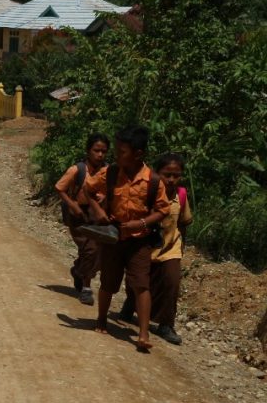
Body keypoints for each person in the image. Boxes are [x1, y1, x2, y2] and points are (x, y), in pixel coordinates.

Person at [82, 124, 170, 351]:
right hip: (114, 236)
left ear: (138, 154)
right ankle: (101, 319)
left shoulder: (153, 181)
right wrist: (100, 213)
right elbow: (88, 189)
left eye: (122, 151)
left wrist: (140, 223)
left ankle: (143, 333)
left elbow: (162, 210)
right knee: (109, 281)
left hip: (139, 240)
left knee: (141, 284)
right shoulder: (110, 173)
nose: (116, 155)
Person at [119, 153, 193, 344]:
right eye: (166, 174)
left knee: (171, 281)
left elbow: (184, 222)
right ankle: (131, 304)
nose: (171, 179)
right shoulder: (147, 192)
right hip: (144, 245)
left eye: (176, 175)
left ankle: (166, 324)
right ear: (156, 173)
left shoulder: (181, 195)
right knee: (139, 280)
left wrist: (181, 245)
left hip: (170, 247)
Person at [55, 133, 110, 305]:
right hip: (79, 216)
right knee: (89, 250)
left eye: (103, 151)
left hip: (99, 215)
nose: (100, 155)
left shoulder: (108, 171)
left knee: (99, 253)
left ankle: (79, 270)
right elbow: (59, 188)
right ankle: (86, 288)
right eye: (96, 150)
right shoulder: (77, 170)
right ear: (88, 151)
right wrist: (73, 206)